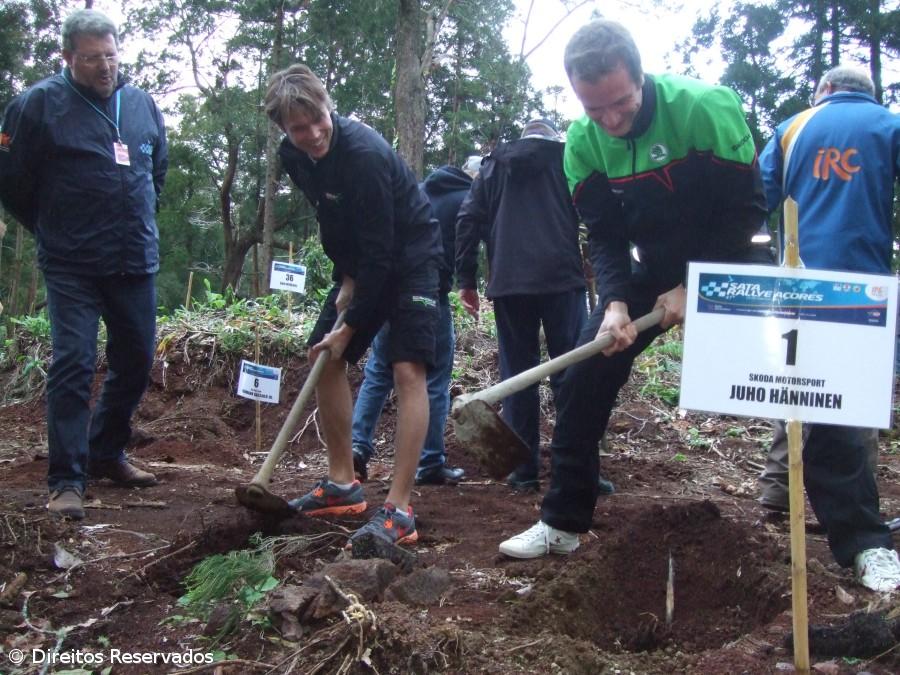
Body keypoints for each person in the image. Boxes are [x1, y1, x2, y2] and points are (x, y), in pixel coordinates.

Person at [499, 19, 770, 558]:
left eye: (620, 103)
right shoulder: (580, 142)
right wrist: (616, 302)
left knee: (808, 371)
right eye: (595, 109)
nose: (611, 120)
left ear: (640, 77)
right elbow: (604, 232)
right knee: (582, 374)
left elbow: (746, 211)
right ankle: (562, 524)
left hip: (735, 255)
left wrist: (695, 284)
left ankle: (859, 537)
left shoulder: (704, 108)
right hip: (654, 271)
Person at [264, 64, 443, 548]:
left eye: (319, 119)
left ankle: (400, 508)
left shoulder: (363, 153)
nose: (313, 133)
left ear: (329, 106)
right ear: (284, 129)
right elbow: (335, 220)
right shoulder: (294, 155)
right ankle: (343, 484)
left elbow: (384, 249)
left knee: (407, 369)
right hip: (366, 258)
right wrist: (346, 274)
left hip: (411, 257)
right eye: (299, 128)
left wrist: (354, 320)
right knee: (324, 358)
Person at [0, 9, 167, 520]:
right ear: (69, 57)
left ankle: (105, 451)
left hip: (134, 257)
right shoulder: (37, 106)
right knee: (73, 361)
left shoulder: (140, 104)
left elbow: (154, 170)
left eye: (111, 56)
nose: (104, 67)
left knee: (137, 360)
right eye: (92, 58)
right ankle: (66, 479)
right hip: (71, 262)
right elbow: (10, 182)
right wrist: (51, 227)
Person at [757, 65, 900, 592]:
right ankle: (863, 529)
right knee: (852, 403)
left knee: (794, 384)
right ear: (868, 93)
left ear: (823, 92)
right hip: (863, 288)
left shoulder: (793, 128)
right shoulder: (889, 125)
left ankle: (777, 492)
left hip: (798, 283)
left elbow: (759, 198)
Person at [456, 118, 588, 490]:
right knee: (574, 374)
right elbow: (594, 211)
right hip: (562, 279)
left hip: (511, 282)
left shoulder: (493, 165)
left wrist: (466, 280)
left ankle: (523, 470)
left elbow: (467, 219)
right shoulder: (567, 159)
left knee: (517, 376)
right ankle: (574, 468)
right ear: (550, 135)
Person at [351, 157, 480, 485]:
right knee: (433, 378)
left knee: (379, 372)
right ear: (475, 178)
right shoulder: (469, 199)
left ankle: (356, 447)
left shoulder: (421, 190)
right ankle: (430, 461)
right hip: (427, 293)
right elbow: (469, 248)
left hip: (388, 290)